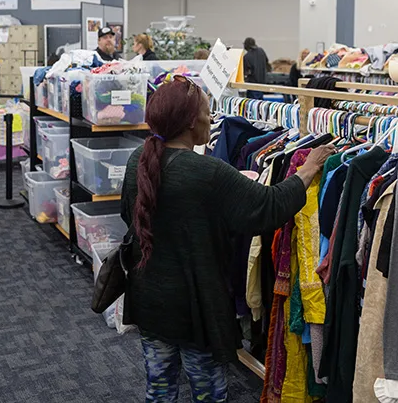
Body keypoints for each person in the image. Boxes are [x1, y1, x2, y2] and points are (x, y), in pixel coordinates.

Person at [121, 77, 334, 402]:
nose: (212, 118)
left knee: (159, 389)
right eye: (209, 112)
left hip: (148, 298)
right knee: (208, 394)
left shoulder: (138, 159)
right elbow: (269, 206)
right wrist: (308, 168)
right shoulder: (208, 172)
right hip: (196, 307)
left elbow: (130, 216)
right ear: (192, 121)